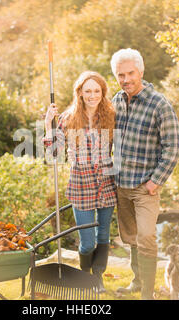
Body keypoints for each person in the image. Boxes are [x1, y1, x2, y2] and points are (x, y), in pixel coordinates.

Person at [110, 48, 179, 299]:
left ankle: (148, 293)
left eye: (130, 73)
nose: (126, 79)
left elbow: (174, 145)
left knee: (146, 236)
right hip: (121, 185)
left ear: (141, 71)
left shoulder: (158, 103)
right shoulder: (117, 100)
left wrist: (156, 181)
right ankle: (138, 282)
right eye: (121, 75)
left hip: (145, 187)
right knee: (131, 237)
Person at [43, 71, 117, 293]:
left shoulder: (111, 116)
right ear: (80, 93)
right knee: (87, 242)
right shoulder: (68, 118)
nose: (93, 95)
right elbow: (53, 154)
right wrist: (48, 124)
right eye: (88, 91)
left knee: (103, 235)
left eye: (97, 90)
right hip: (81, 183)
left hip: (106, 181)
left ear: (102, 93)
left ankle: (98, 277)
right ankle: (86, 277)